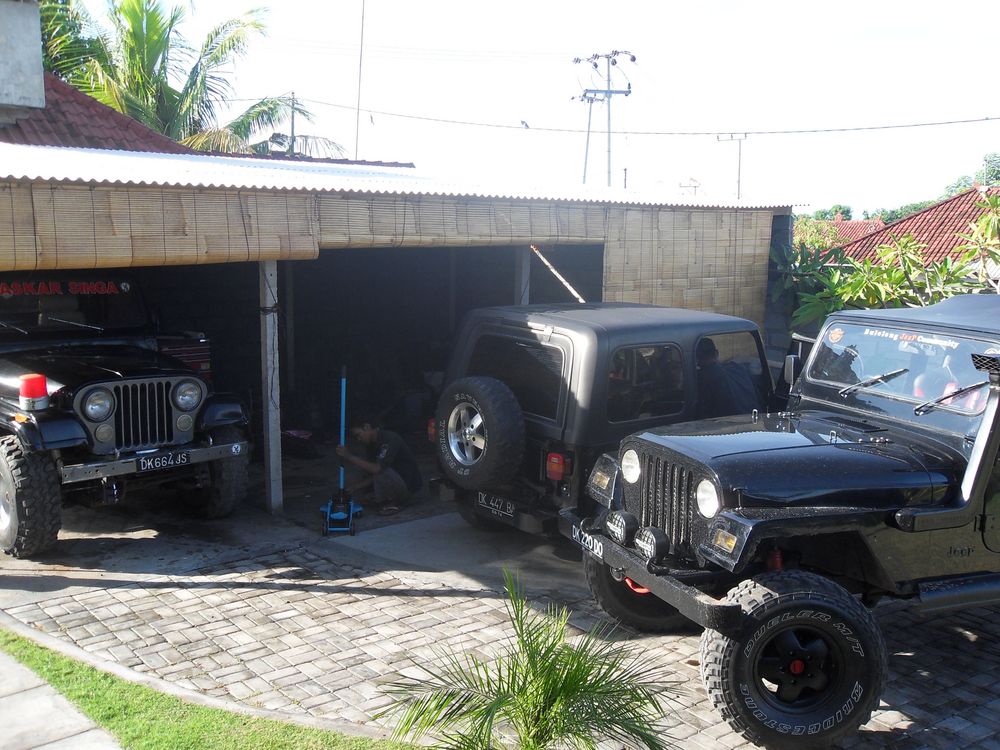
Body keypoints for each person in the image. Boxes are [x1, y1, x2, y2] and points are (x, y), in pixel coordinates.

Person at [336, 416, 422, 515]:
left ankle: (395, 502)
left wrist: (349, 456)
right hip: (394, 477)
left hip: (407, 484)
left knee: (378, 469)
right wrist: (356, 487)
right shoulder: (371, 445)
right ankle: (383, 497)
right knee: (364, 469)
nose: (359, 439)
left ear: (367, 427)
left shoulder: (390, 438)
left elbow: (377, 469)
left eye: (358, 435)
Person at [695, 337, 761, 418]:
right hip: (755, 421)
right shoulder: (737, 368)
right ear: (716, 353)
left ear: (697, 359)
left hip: (731, 426)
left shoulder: (702, 378)